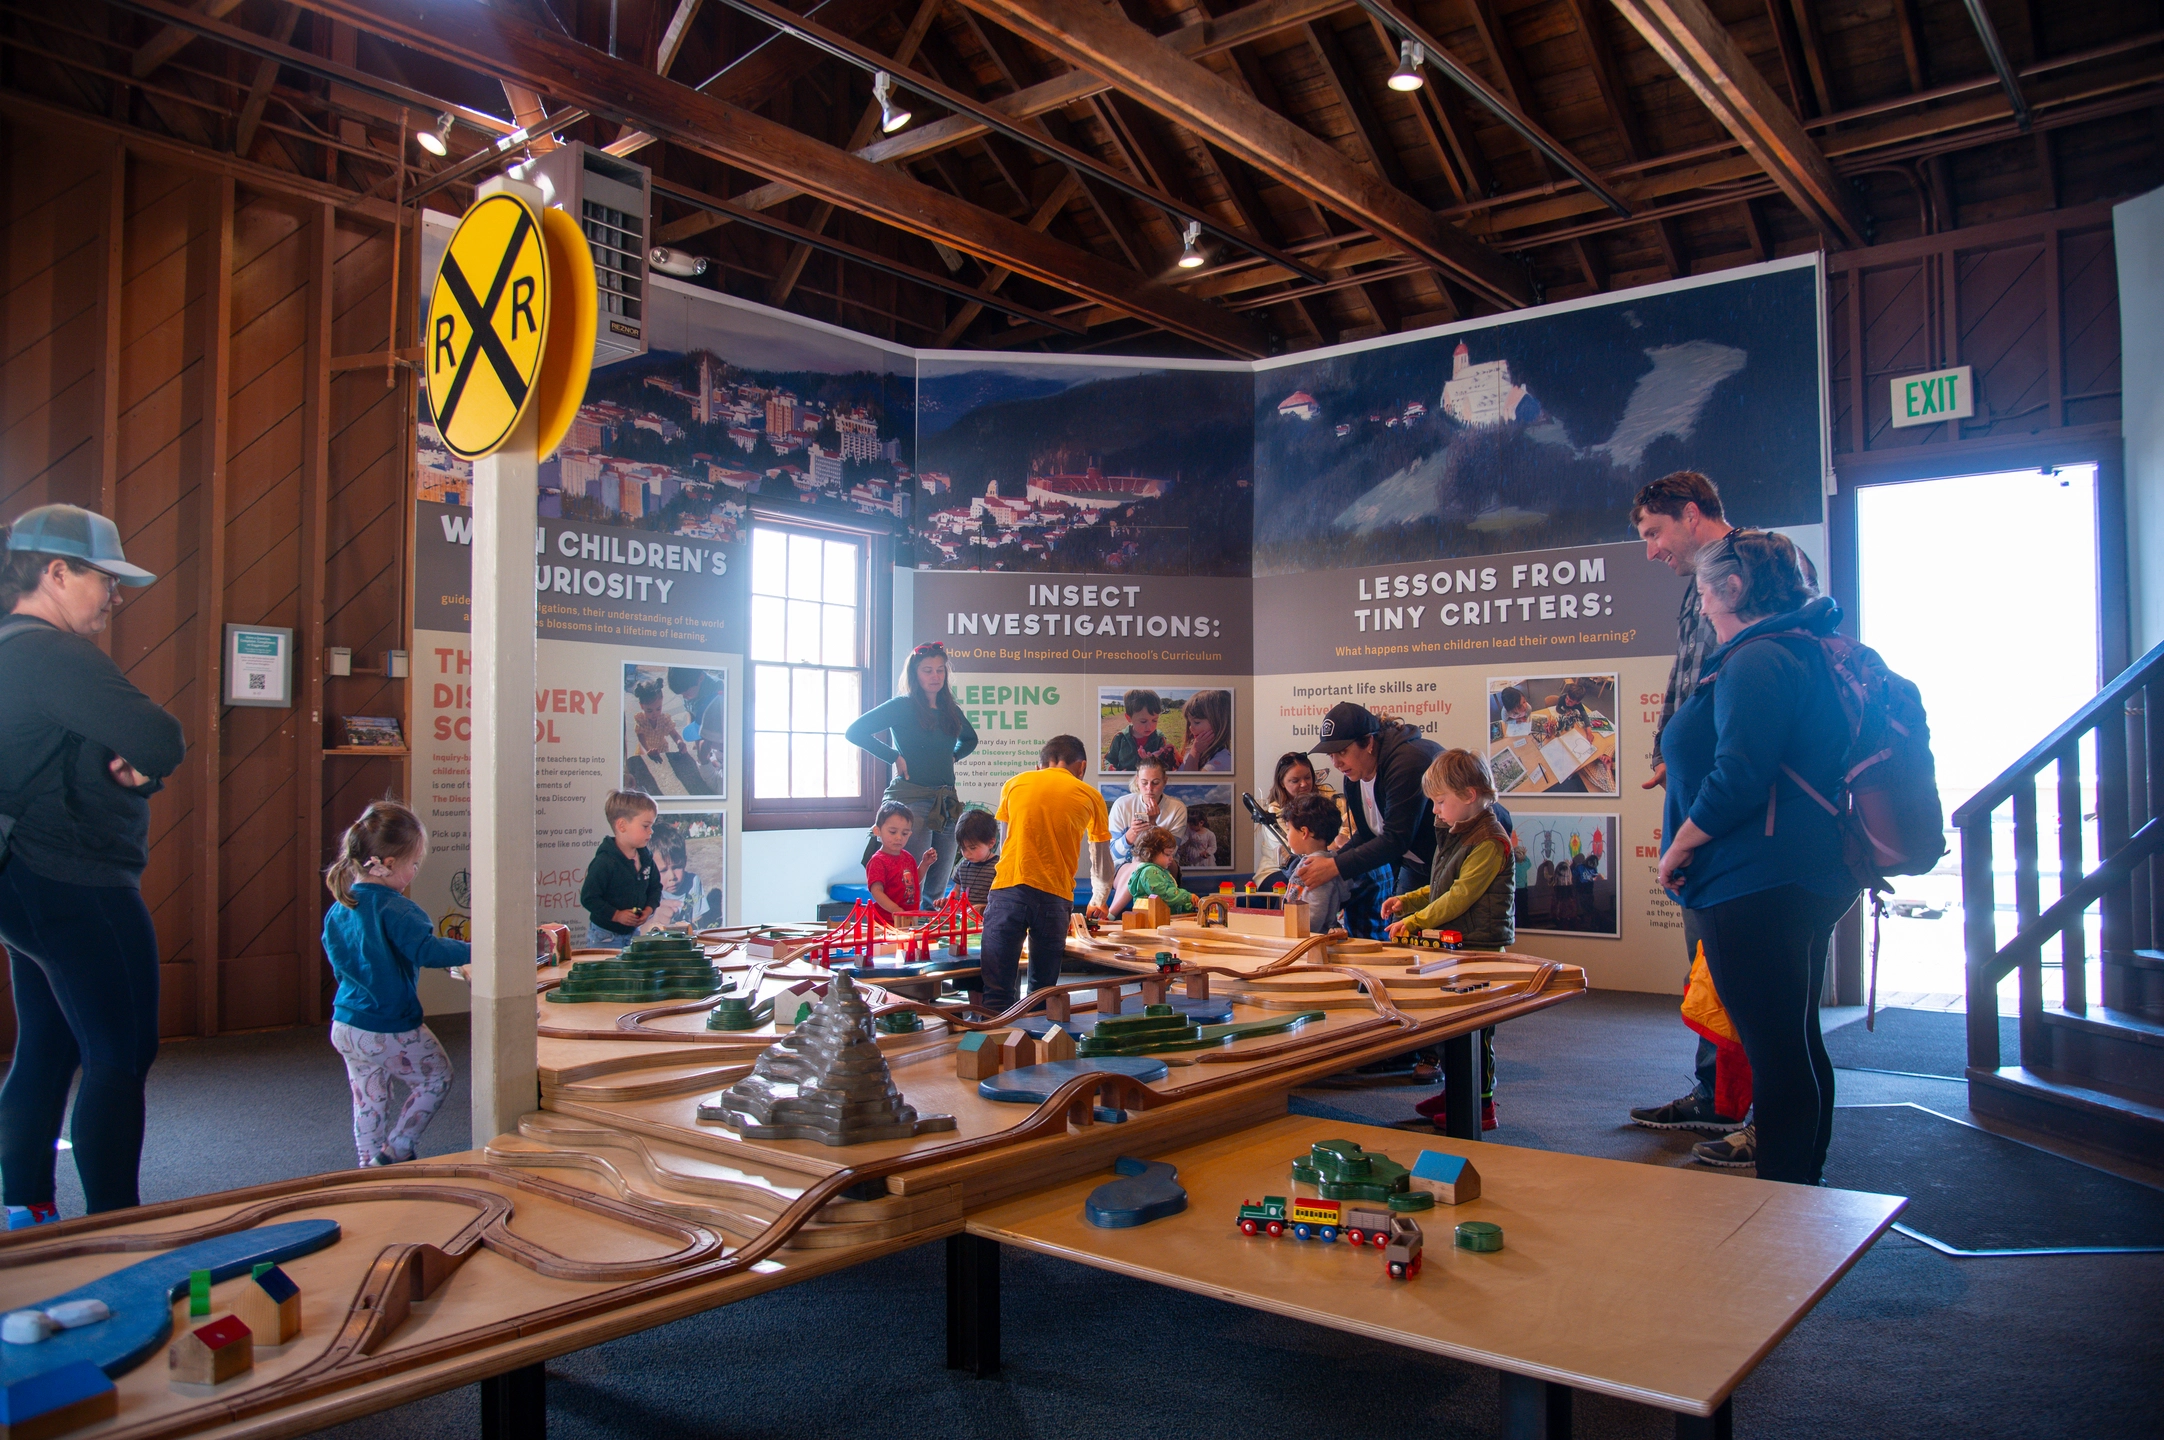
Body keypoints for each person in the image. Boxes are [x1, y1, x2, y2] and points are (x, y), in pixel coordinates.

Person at [1657, 530, 1857, 1182]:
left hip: (1754, 881)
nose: (1702, 606)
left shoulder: (1757, 659)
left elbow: (1739, 777)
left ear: (1734, 587)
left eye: (1705, 592)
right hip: (1801, 874)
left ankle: (1786, 1196)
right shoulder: (1808, 648)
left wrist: (1679, 845)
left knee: (1776, 1052)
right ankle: (1802, 1185)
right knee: (1795, 1041)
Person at [0, 505, 182, 1220]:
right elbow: (160, 738)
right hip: (72, 880)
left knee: (47, 1046)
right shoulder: (52, 654)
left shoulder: (9, 649)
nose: (113, 595)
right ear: (55, 572)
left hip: (21, 881)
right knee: (121, 1051)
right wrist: (146, 765)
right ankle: (115, 1227)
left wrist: (137, 769)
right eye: (104, 579)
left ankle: (27, 1214)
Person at [1626, 470, 1747, 1141]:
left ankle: (1740, 1105)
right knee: (1707, 962)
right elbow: (1688, 679)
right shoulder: (1701, 580)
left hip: (1727, 806)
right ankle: (1716, 1094)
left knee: (1732, 962)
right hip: (1694, 788)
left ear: (1692, 514)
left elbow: (1740, 695)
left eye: (1655, 533)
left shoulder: (1748, 568)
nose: (1651, 551)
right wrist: (1668, 750)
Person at [321, 801, 467, 1168]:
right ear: (387, 864)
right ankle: (397, 1151)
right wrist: (477, 948)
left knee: (368, 1099)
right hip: (388, 1026)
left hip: (346, 1024)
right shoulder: (398, 909)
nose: (415, 871)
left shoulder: (340, 907)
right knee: (436, 1078)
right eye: (413, 864)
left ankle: (368, 1164)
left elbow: (340, 962)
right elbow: (427, 951)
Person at [1382, 750, 1515, 1131]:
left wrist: (1414, 921)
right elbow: (1442, 885)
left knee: (1478, 1031)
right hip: (1461, 943)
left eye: (1441, 802)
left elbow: (1460, 896)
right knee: (1455, 1028)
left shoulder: (1489, 841)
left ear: (1469, 795)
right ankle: (1457, 1090)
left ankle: (1482, 1105)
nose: (1436, 811)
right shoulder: (1459, 831)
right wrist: (1408, 900)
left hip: (1481, 947)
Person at [981, 736, 1111, 1015]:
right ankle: (1037, 1040)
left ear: (1039, 766)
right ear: (1082, 767)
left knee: (996, 993)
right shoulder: (1091, 795)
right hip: (1054, 897)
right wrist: (1099, 899)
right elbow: (1100, 857)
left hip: (1008, 889)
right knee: (1042, 993)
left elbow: (1005, 844)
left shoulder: (1013, 784)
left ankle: (992, 1039)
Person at [845, 642, 978, 903]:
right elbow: (855, 731)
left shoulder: (950, 709)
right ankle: (907, 929)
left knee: (937, 886)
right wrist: (893, 756)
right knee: (908, 883)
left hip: (947, 801)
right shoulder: (902, 705)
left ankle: (930, 929)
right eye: (928, 670)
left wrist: (953, 756)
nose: (935, 676)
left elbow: (970, 739)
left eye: (940, 670)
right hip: (912, 800)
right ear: (915, 674)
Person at [1295, 703, 1441, 939]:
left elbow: (1396, 839)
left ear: (1369, 742)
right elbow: (1367, 833)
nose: (1336, 763)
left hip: (1452, 858)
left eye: (1342, 752)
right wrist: (1330, 861)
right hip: (1416, 865)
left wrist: (1335, 866)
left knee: (1441, 939)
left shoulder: (1407, 762)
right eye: (1331, 755)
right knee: (1402, 937)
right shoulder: (1354, 777)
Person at [580, 790, 661, 950]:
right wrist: (616, 915)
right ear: (622, 825)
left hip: (633, 933)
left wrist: (648, 910)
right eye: (645, 826)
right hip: (605, 937)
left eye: (651, 826)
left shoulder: (646, 859)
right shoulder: (605, 861)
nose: (651, 831)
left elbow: (655, 887)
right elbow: (589, 897)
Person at [1253, 751, 1348, 879]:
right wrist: (1334, 846)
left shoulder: (1331, 798)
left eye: (1308, 778)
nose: (1304, 784)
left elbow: (1348, 833)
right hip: (1281, 870)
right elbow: (1296, 850)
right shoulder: (1273, 813)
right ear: (1282, 783)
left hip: (1328, 862)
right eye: (1295, 781)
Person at [1099, 756, 1186, 885]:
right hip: (1125, 865)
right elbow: (1113, 854)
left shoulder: (1177, 808)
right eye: (1144, 783)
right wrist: (1132, 833)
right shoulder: (1122, 805)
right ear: (1137, 781)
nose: (1149, 789)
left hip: (1164, 866)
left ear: (1165, 781)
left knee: (1152, 867)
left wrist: (1153, 827)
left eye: (1155, 783)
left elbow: (1170, 853)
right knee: (1137, 866)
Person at [1278, 793, 1349, 931]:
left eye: (1289, 829)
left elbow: (1315, 912)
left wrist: (1295, 930)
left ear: (1304, 832)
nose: (1287, 836)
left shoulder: (1318, 868)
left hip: (1309, 937)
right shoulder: (1317, 861)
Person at [865, 800, 938, 920]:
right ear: (877, 831)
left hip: (909, 918)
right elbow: (876, 891)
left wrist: (925, 864)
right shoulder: (878, 861)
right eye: (893, 832)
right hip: (886, 921)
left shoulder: (908, 857)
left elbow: (913, 881)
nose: (899, 837)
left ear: (910, 834)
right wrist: (896, 910)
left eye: (904, 833)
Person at [1107, 826, 1197, 918]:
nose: (1171, 858)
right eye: (1167, 854)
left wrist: (1188, 906)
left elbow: (1172, 902)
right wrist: (1187, 897)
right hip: (1151, 920)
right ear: (1151, 852)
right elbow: (1164, 894)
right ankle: (1110, 915)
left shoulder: (1159, 871)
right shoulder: (1149, 871)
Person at [944, 808, 1001, 911]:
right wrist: (947, 901)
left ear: (991, 843)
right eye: (963, 848)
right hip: (964, 917)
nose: (966, 854)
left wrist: (983, 908)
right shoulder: (963, 866)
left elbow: (1001, 899)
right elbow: (956, 890)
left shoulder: (998, 866)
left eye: (972, 848)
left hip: (986, 917)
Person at [1104, 689, 1174, 772]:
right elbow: (1109, 759)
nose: (1150, 726)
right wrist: (1110, 769)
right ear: (1129, 718)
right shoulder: (1120, 738)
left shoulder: (1159, 739)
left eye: (1154, 720)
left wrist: (1153, 761)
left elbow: (1167, 766)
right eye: (1143, 721)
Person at [1174, 688, 1233, 772]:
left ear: (1219, 723)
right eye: (1190, 722)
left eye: (1196, 722)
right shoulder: (1196, 744)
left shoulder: (1223, 760)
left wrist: (1195, 752)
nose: (1190, 728)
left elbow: (1190, 779)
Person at [631, 676, 683, 759]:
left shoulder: (664, 719)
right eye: (649, 710)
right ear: (642, 706)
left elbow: (675, 735)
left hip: (661, 749)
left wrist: (679, 742)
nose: (654, 714)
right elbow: (641, 741)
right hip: (644, 750)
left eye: (658, 709)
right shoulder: (641, 720)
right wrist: (647, 752)